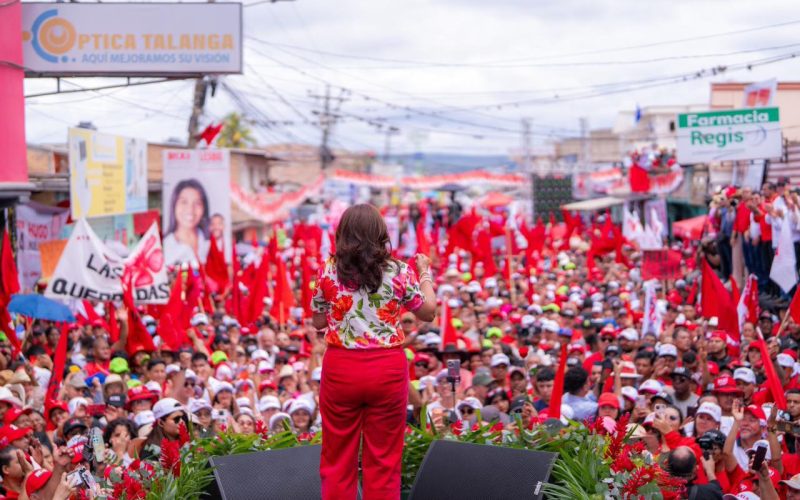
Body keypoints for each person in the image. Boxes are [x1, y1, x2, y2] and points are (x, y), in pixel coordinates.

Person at [311, 204, 436, 500]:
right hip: (387, 369)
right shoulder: (400, 271)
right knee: (383, 459)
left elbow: (318, 321)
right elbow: (428, 312)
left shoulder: (329, 271)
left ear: (344, 234)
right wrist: (425, 274)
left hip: (341, 368)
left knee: (337, 458)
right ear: (381, 233)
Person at [163, 178, 211, 265]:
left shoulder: (210, 242)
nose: (190, 209)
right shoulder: (165, 248)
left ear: (204, 208)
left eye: (197, 203)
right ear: (174, 205)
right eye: (184, 202)